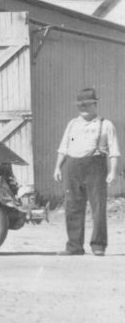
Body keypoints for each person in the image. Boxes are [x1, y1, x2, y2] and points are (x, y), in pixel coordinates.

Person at [53, 87, 120, 256]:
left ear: (95, 104)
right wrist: (57, 167)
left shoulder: (106, 124)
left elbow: (114, 151)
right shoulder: (72, 124)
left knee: (98, 207)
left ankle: (98, 245)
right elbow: (63, 148)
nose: (83, 108)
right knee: (73, 207)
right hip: (72, 167)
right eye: (80, 105)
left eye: (87, 105)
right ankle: (74, 246)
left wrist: (112, 171)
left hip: (96, 167)